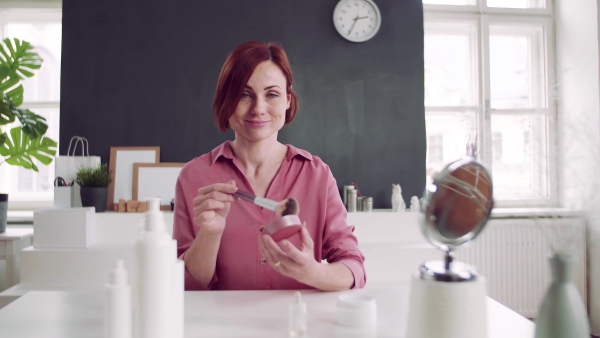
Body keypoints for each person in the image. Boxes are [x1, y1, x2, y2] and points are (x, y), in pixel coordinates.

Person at [173, 41, 366, 291]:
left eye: (272, 94)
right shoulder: (194, 177)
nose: (258, 109)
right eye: (244, 94)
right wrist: (210, 233)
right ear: (226, 99)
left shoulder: (317, 174)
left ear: (287, 100)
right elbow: (187, 284)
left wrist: (314, 272)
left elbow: (354, 267)